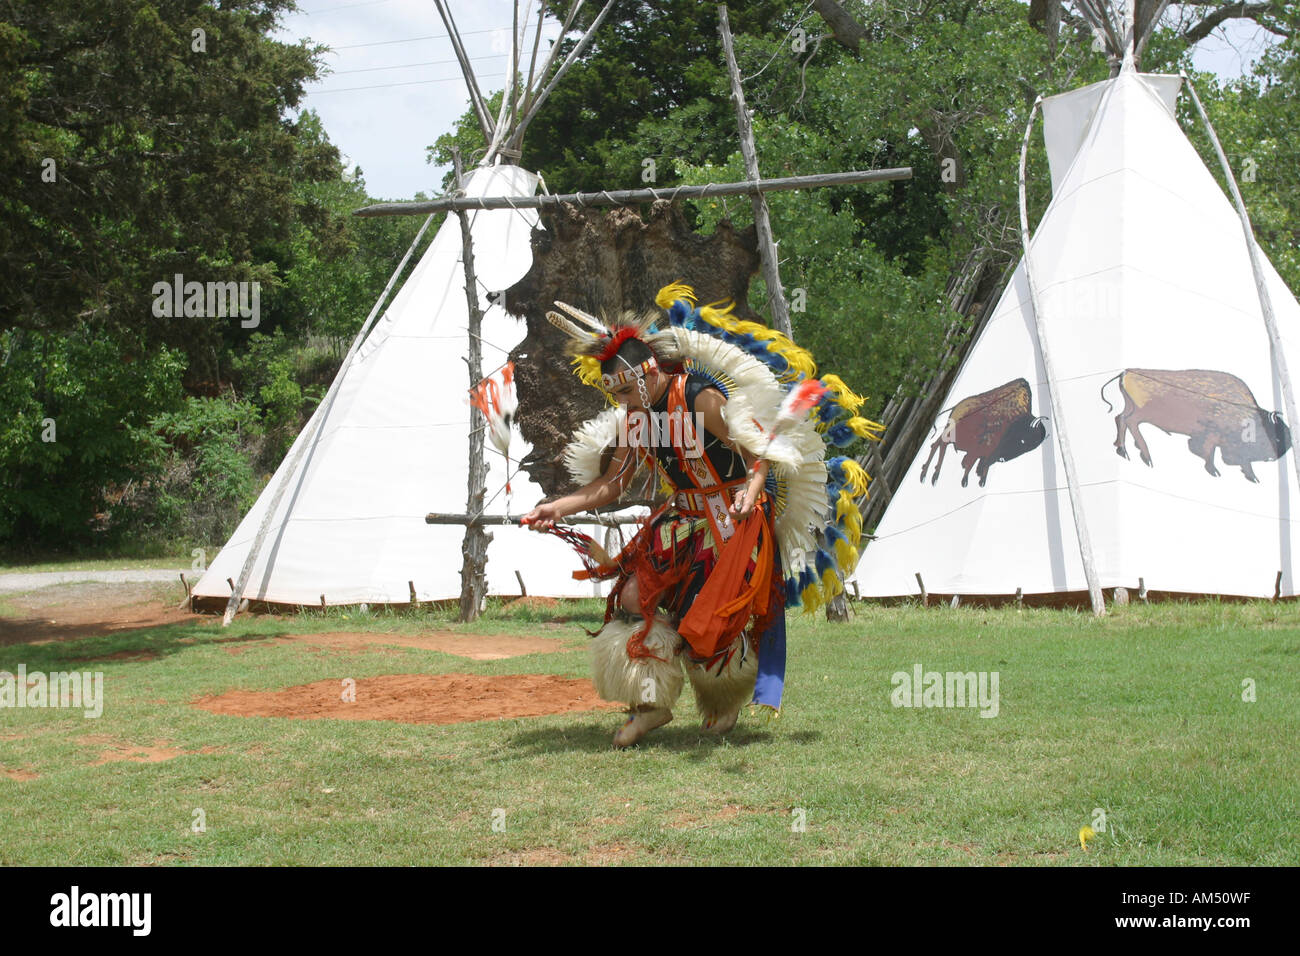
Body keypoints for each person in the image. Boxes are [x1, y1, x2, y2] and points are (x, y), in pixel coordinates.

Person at [525, 284, 876, 747]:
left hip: (733, 517)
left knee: (711, 616)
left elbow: (758, 450)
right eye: (618, 395)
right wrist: (555, 506)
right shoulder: (636, 416)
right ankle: (649, 703)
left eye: (629, 389)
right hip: (681, 518)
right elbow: (612, 484)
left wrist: (751, 494)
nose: (625, 402)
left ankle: (721, 699)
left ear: (649, 372)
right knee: (634, 597)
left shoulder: (700, 398)